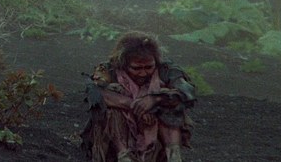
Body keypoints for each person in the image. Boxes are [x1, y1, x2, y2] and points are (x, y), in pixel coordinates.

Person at [81, 31, 195, 162]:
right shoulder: (108, 70)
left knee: (169, 98)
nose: (143, 73)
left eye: (149, 67)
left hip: (159, 135)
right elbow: (95, 94)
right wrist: (135, 105)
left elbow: (186, 91)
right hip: (116, 142)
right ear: (124, 64)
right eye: (136, 68)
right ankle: (124, 156)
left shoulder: (166, 69)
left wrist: (155, 99)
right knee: (112, 100)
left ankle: (173, 156)